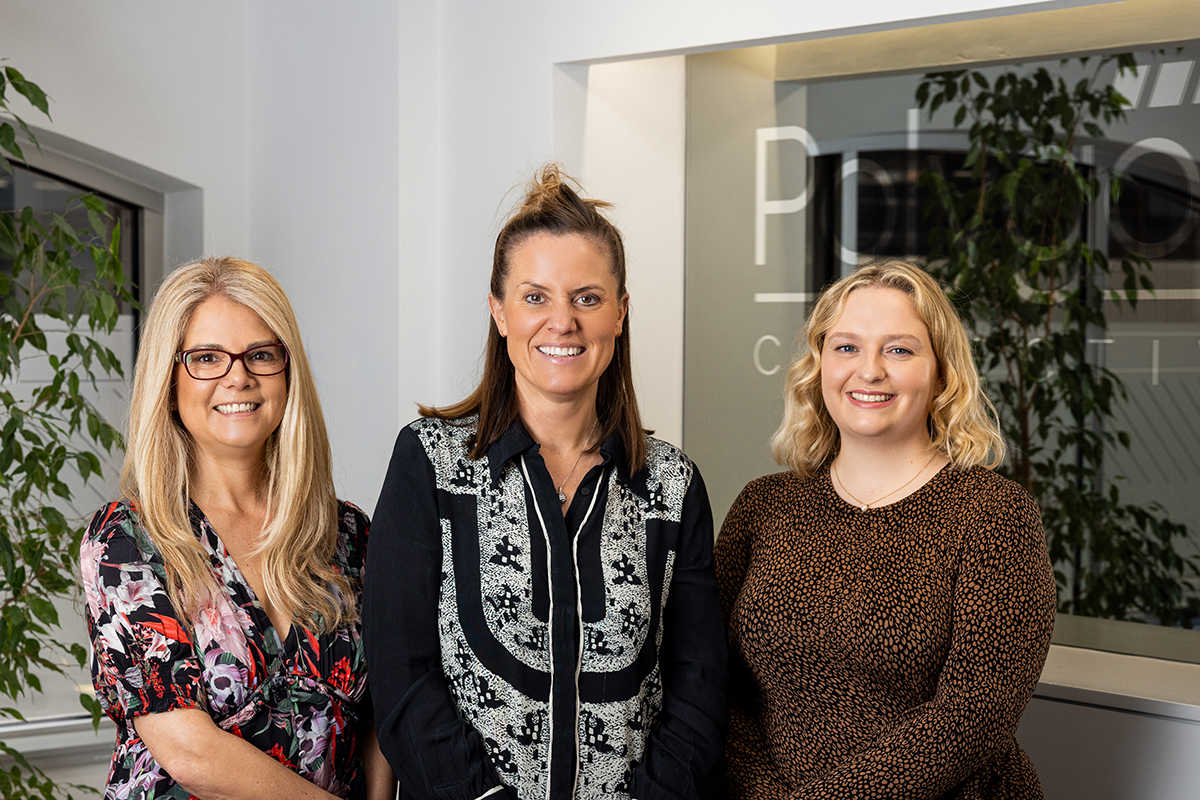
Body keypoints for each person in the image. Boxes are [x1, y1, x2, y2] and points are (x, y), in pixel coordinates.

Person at [365, 166, 727, 800]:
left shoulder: (672, 485)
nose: (562, 321)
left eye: (587, 297)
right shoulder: (430, 461)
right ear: (498, 312)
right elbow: (402, 675)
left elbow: (698, 688)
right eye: (535, 297)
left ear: (620, 314)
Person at [716, 260, 1057, 799]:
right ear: (818, 366)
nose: (869, 370)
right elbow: (717, 684)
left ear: (942, 370)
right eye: (846, 347)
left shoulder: (993, 514)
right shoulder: (764, 506)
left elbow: (977, 711)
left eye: (899, 349)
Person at [80, 257, 395, 800]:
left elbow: (381, 711)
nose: (238, 376)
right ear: (168, 377)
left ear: (288, 371)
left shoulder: (347, 533)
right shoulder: (127, 540)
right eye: (206, 358)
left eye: (261, 355)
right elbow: (189, 752)